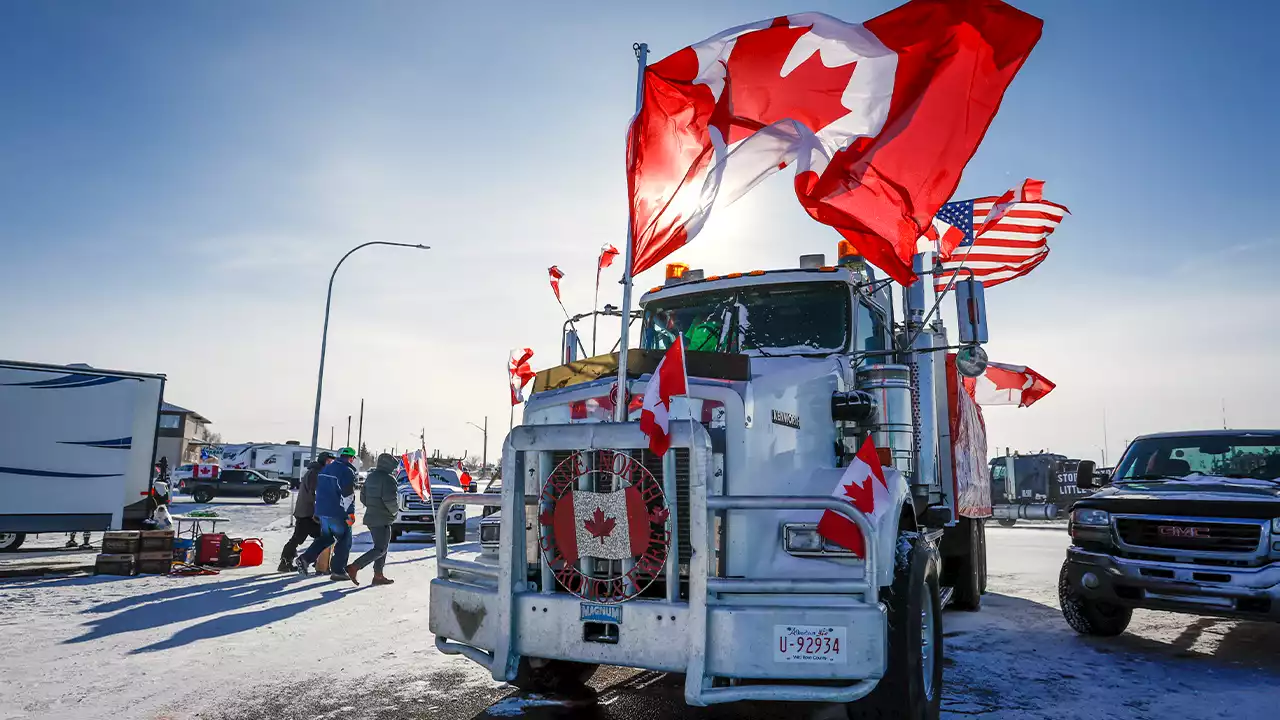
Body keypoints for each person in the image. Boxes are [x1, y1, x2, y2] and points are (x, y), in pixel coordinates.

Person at [296, 447, 358, 582]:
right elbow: (348, 495)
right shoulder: (346, 471)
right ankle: (338, 571)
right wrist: (350, 513)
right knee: (344, 539)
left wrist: (318, 510)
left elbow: (319, 491)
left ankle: (305, 559)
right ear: (351, 458)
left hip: (323, 511)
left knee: (327, 538)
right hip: (338, 512)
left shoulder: (326, 469)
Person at [345, 453, 400, 586]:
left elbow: (363, 497)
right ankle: (354, 567)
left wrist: (372, 506)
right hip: (383, 518)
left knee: (381, 547)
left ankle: (378, 575)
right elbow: (390, 500)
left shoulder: (371, 477)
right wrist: (395, 513)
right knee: (381, 549)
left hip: (371, 516)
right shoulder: (388, 479)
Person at [278, 452, 332, 571]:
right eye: (329, 461)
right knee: (304, 538)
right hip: (308, 513)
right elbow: (316, 494)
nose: (331, 463)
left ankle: (312, 561)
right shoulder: (316, 473)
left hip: (307, 512)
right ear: (323, 461)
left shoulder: (316, 472)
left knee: (318, 537)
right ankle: (289, 561)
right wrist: (318, 512)